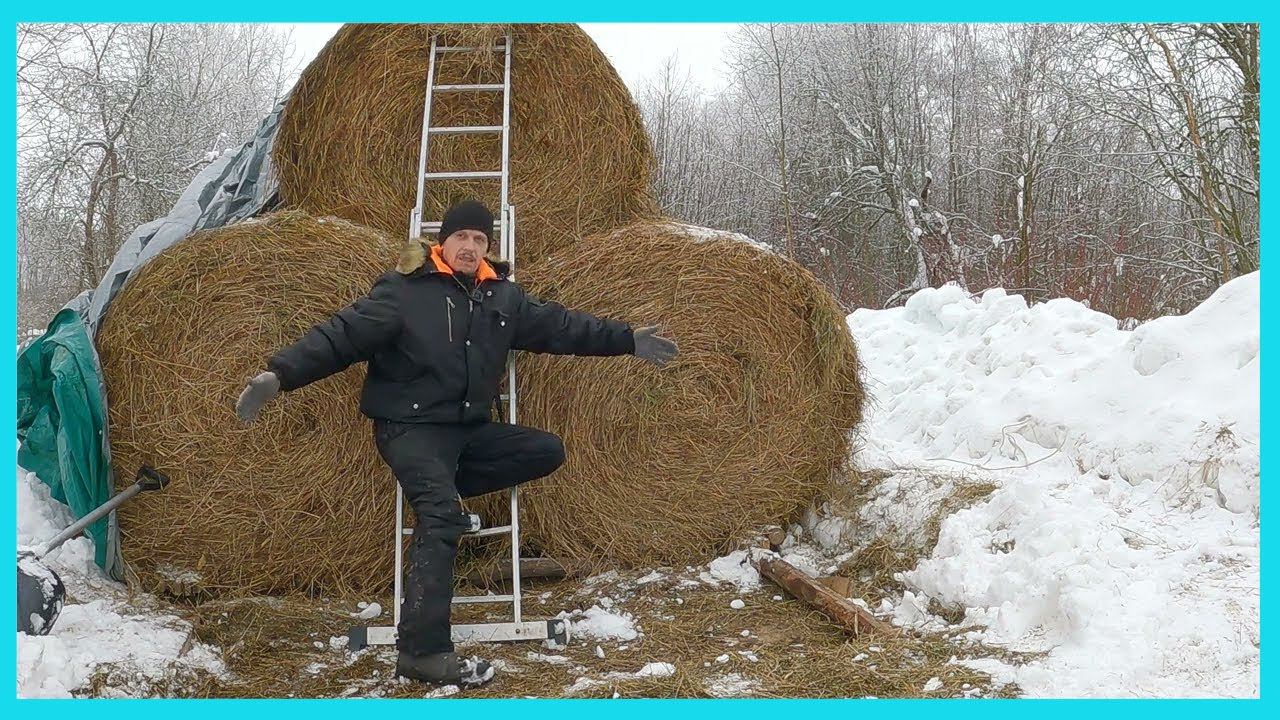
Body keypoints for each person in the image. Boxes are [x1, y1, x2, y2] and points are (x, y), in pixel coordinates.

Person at [234, 199, 678, 688]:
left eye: (479, 239)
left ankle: (442, 491)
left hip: (466, 431)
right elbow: (341, 335)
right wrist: (280, 375)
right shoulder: (404, 291)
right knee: (442, 516)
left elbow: (563, 326)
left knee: (545, 450)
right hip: (411, 428)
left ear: (488, 247)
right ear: (442, 242)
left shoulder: (502, 298)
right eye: (461, 237)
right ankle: (421, 653)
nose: (470, 246)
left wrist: (627, 340)